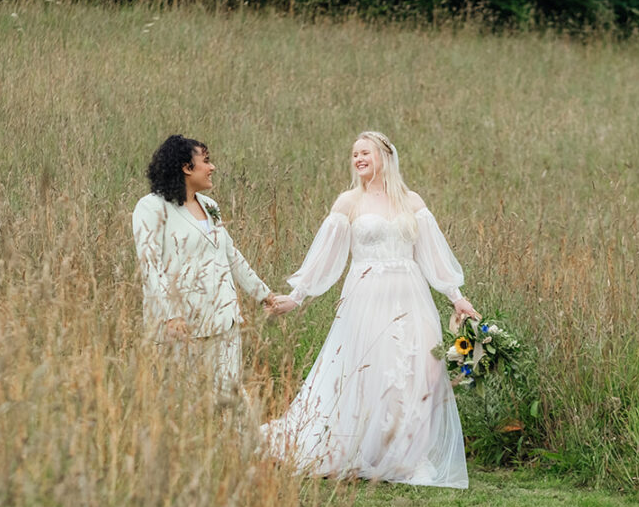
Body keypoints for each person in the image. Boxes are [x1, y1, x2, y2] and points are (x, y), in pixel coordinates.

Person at [262, 131, 478, 488]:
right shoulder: (349, 202)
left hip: (411, 295)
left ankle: (410, 456)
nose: (358, 158)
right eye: (354, 154)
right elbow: (325, 257)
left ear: (385, 156)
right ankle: (366, 450)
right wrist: (297, 296)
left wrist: (456, 297)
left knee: (424, 368)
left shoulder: (411, 201)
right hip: (366, 298)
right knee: (371, 373)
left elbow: (432, 255)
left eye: (365, 152)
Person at [131, 134, 288, 397]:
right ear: (186, 167)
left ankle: (237, 440)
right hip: (182, 326)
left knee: (230, 398)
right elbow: (150, 266)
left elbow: (231, 255)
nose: (212, 167)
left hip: (224, 322)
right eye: (206, 161)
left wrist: (265, 295)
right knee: (186, 402)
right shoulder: (151, 207)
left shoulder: (210, 206)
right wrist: (171, 314)